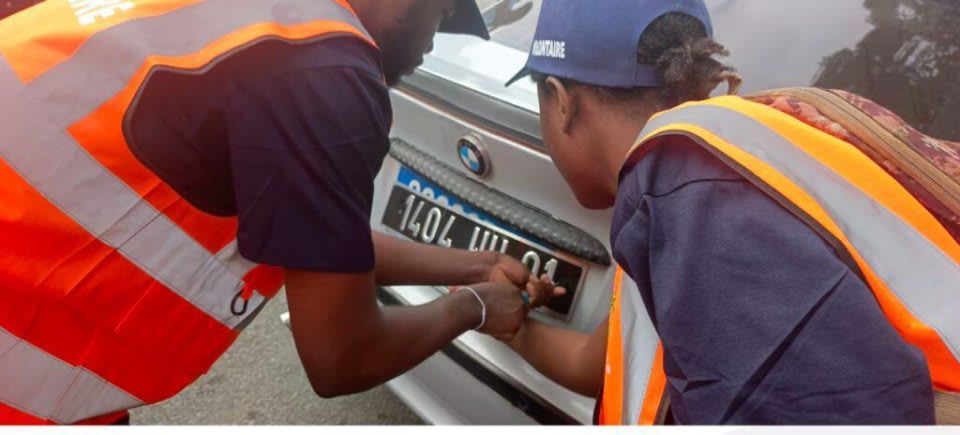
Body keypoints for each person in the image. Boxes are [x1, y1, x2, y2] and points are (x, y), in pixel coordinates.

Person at [0, 0, 561, 425]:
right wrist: (475, 308)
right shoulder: (323, 69)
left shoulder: (265, 27)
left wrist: (471, 265)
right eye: (441, 14)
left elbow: (312, 237)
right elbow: (342, 358)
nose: (433, 45)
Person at [503, 0, 960, 425]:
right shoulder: (682, 182)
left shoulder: (691, 194)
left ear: (561, 101)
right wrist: (505, 323)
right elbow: (601, 359)